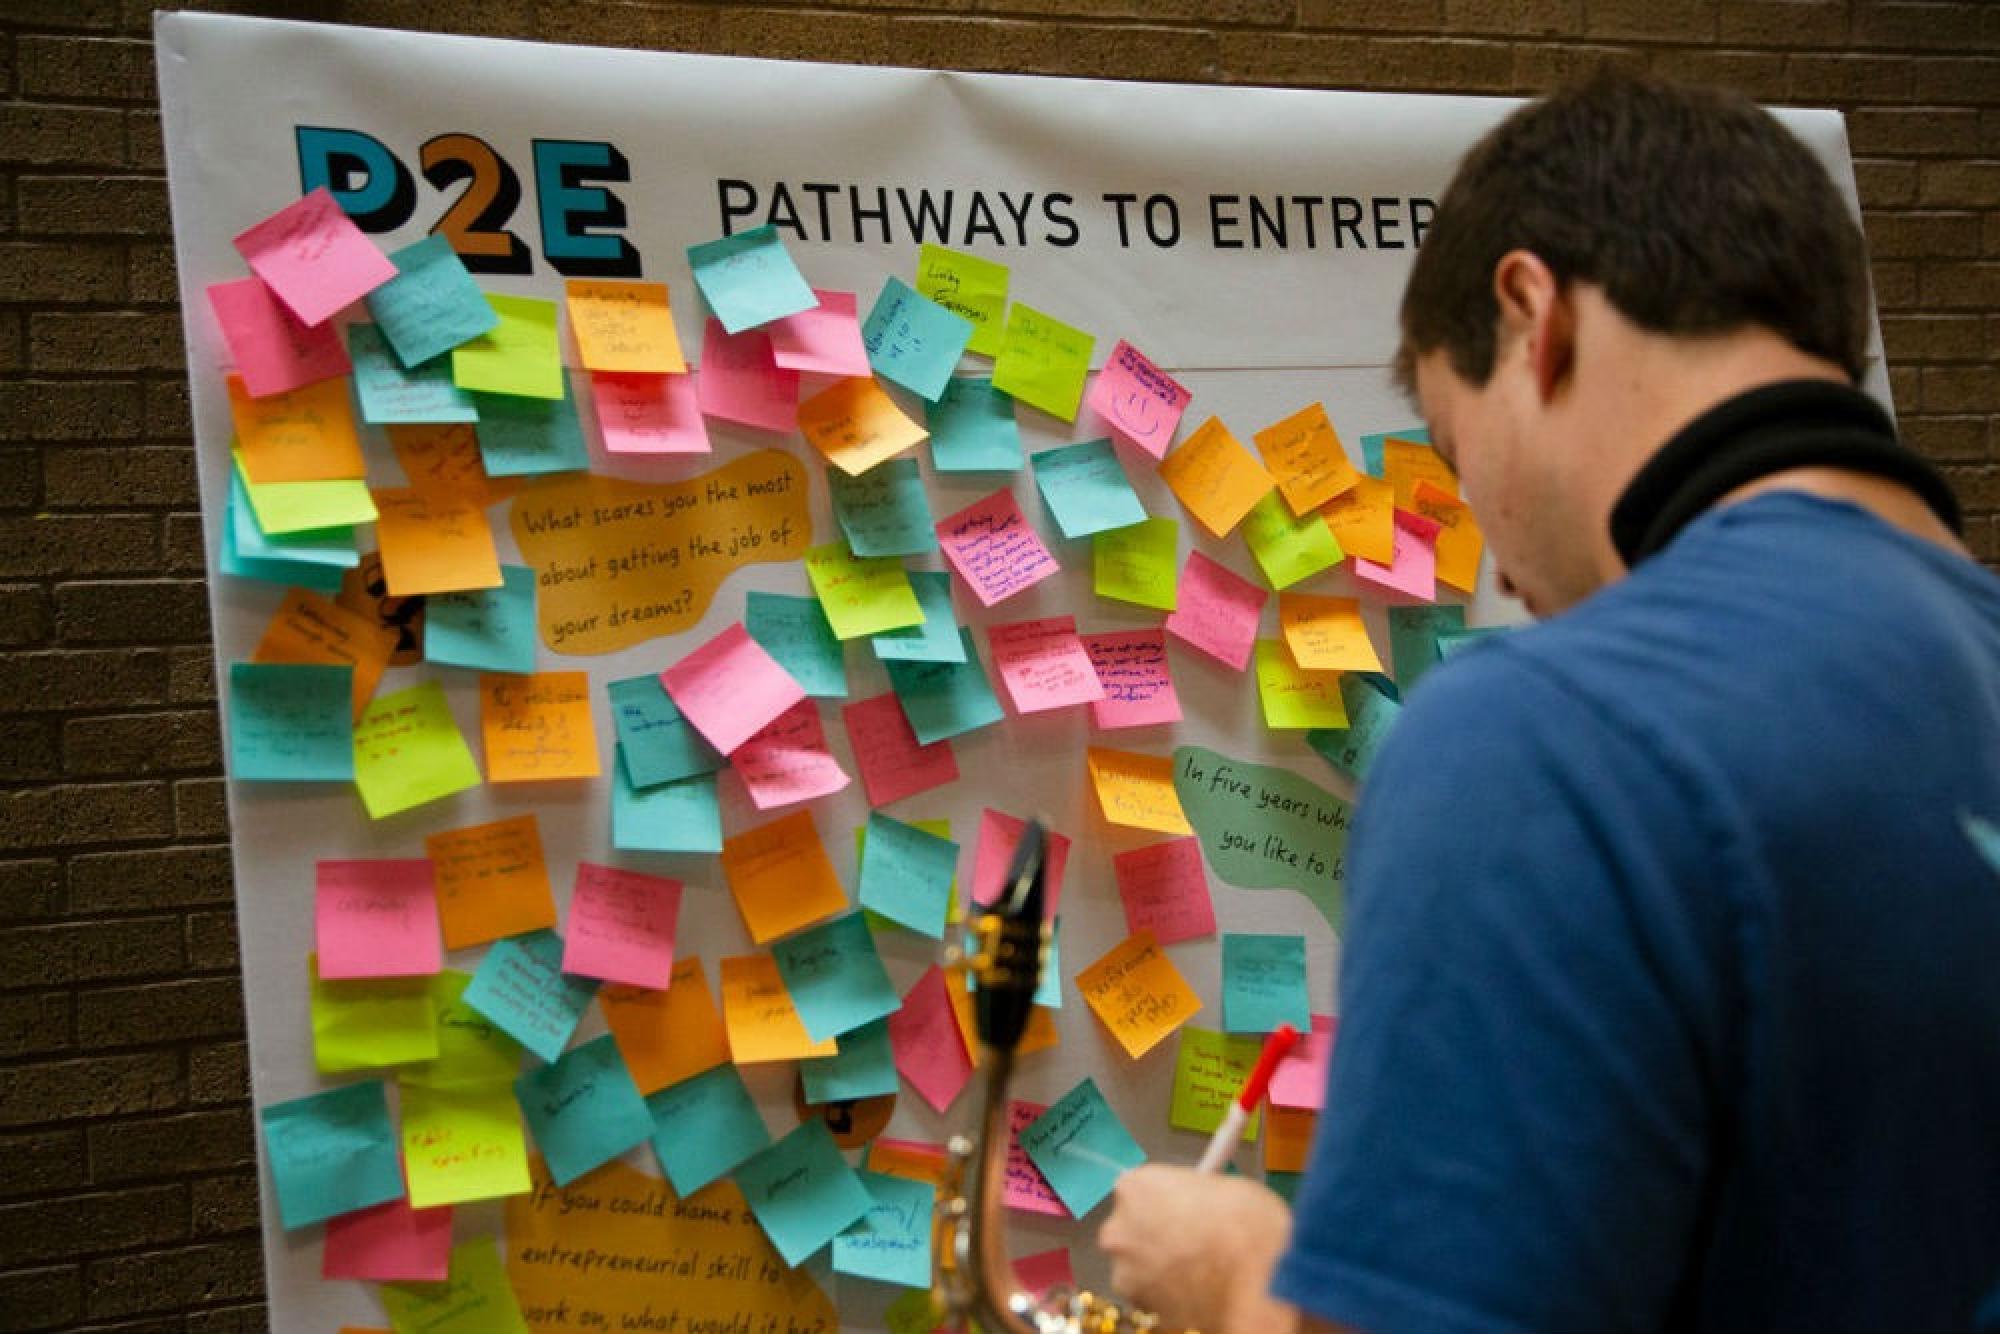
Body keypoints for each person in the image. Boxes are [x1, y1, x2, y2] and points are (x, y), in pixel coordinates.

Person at [1100, 68, 2000, 1333]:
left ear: (1534, 318)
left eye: (1464, 461)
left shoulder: (1539, 735)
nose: (1506, 577)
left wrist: (1241, 1274)